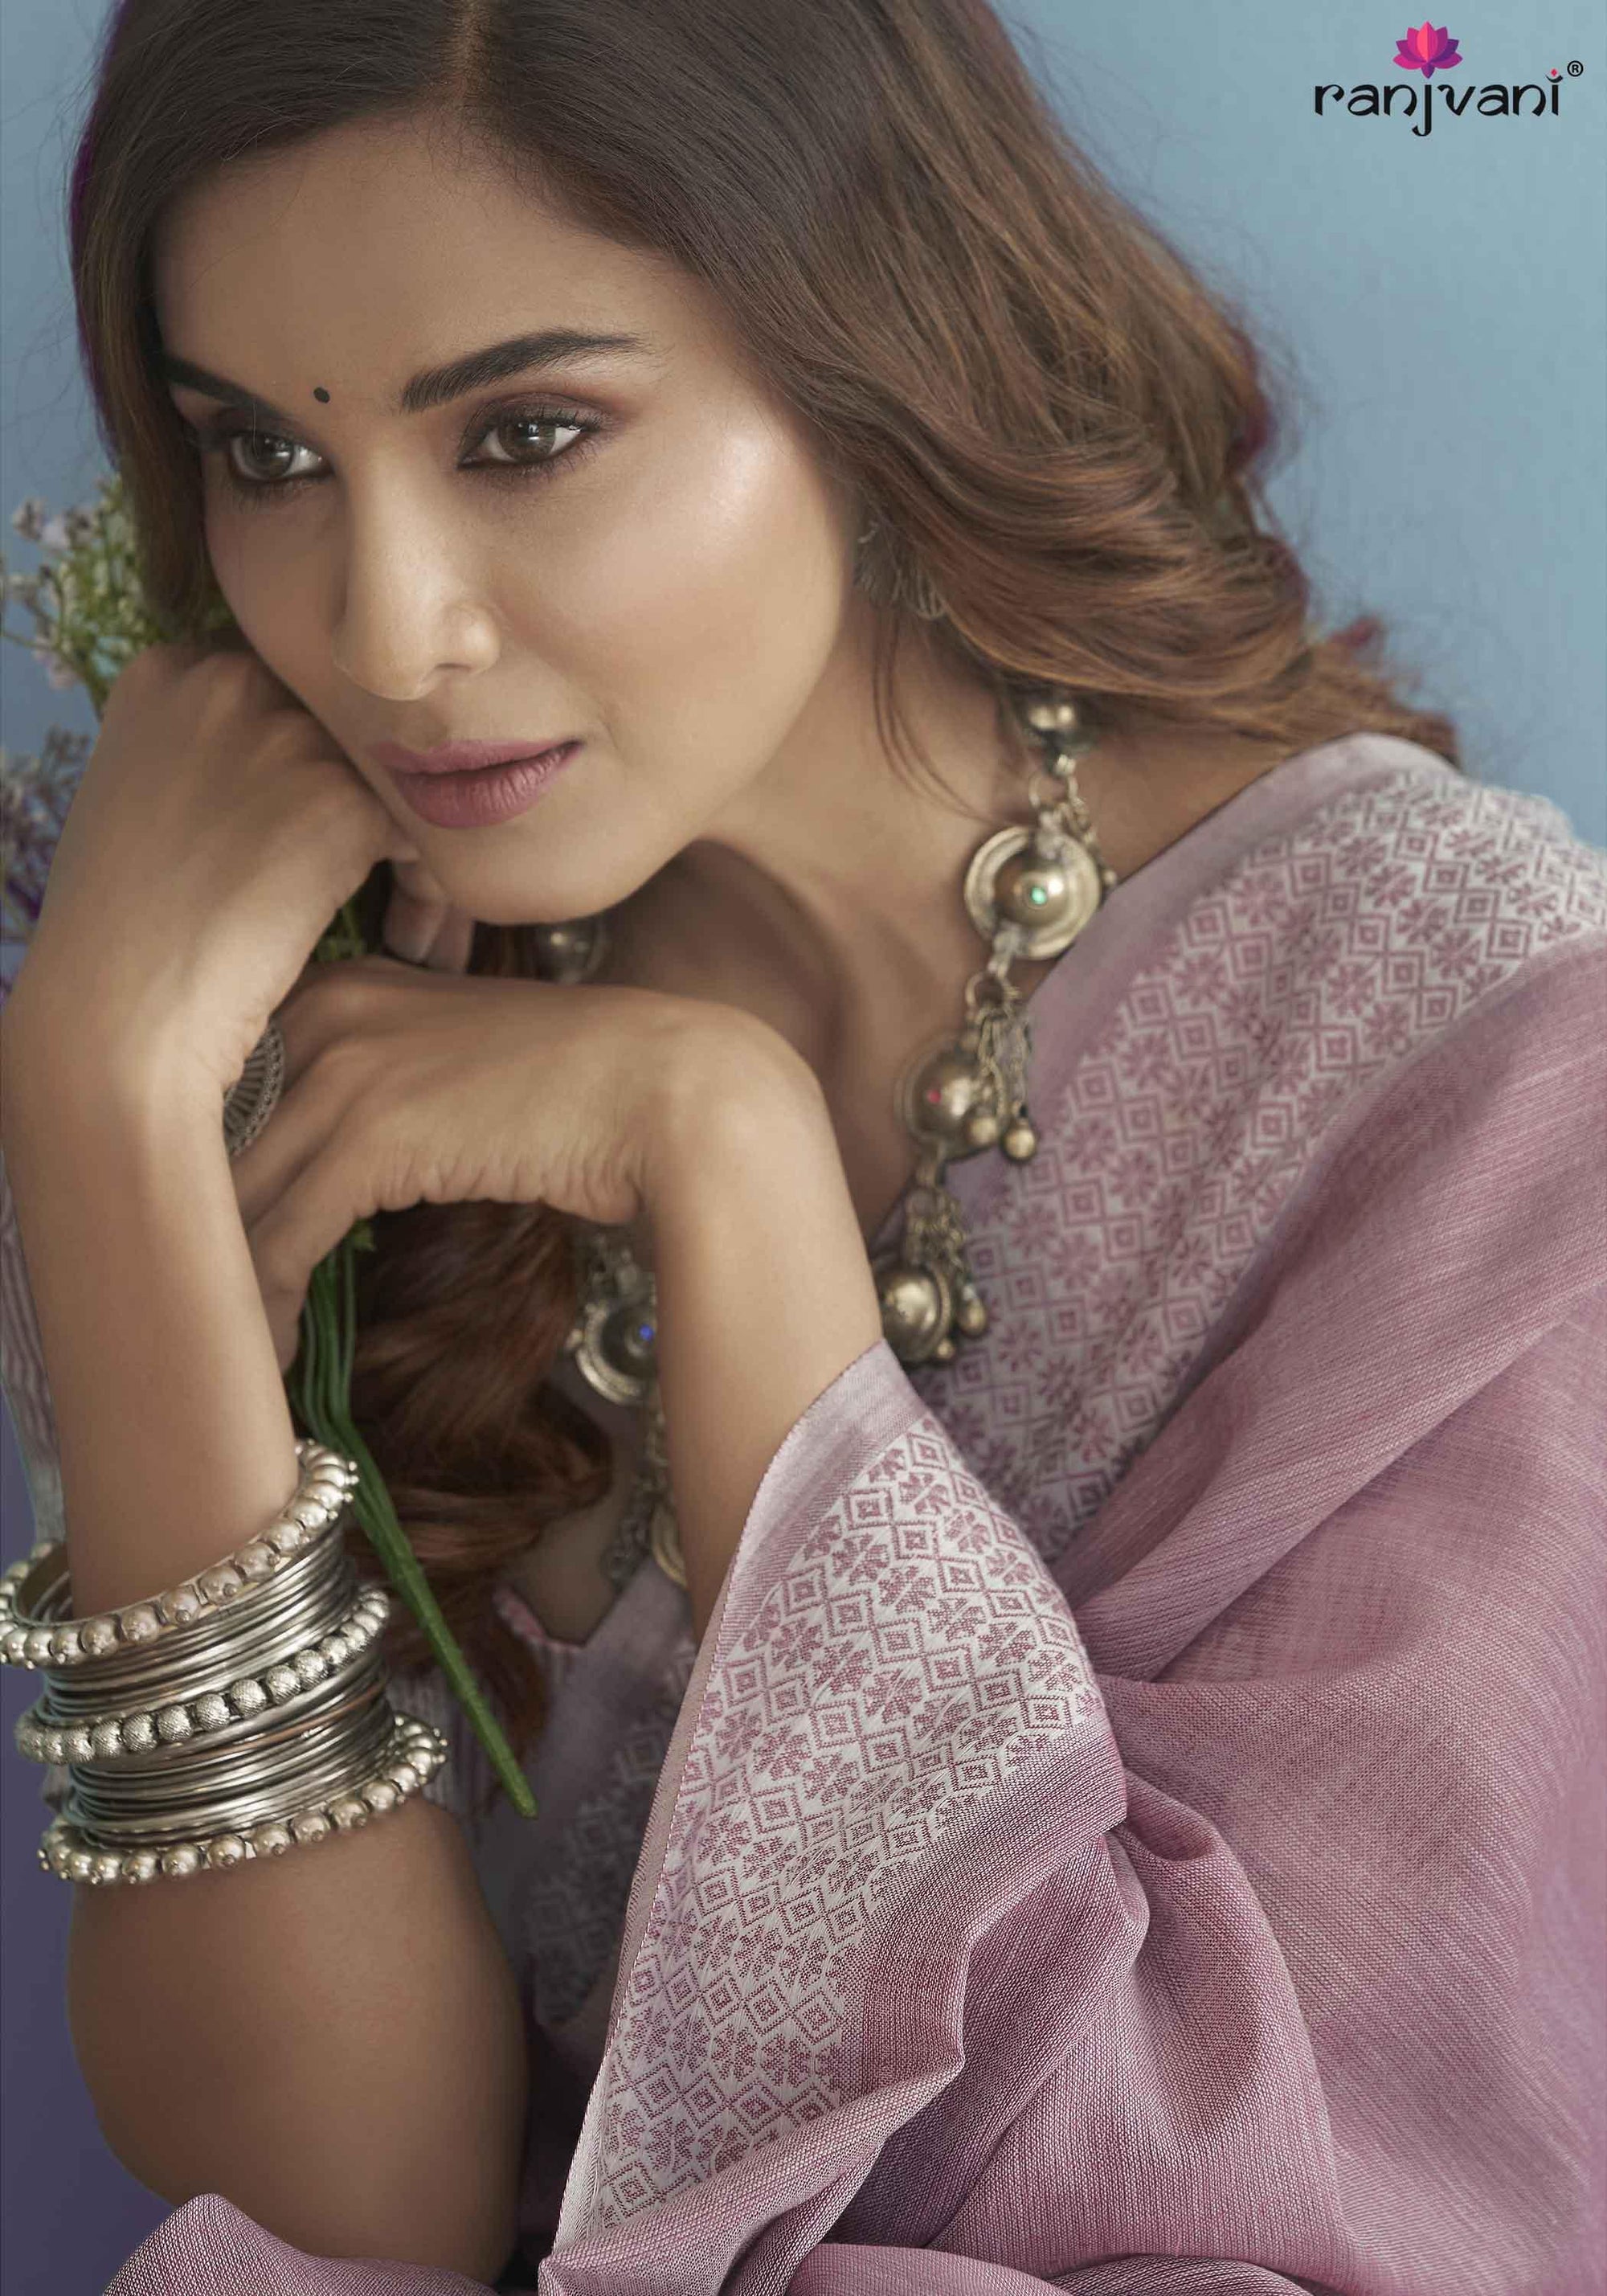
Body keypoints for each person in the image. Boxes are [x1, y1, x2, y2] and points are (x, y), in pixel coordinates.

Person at [0, 2, 1602, 2291]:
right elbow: (345, 2217)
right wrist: (100, 1103)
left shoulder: (1479, 1056)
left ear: (870, 366)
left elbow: (1232, 2196)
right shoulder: (253, 1044)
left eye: (527, 433)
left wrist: (725, 1159)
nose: (387, 631)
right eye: (263, 457)